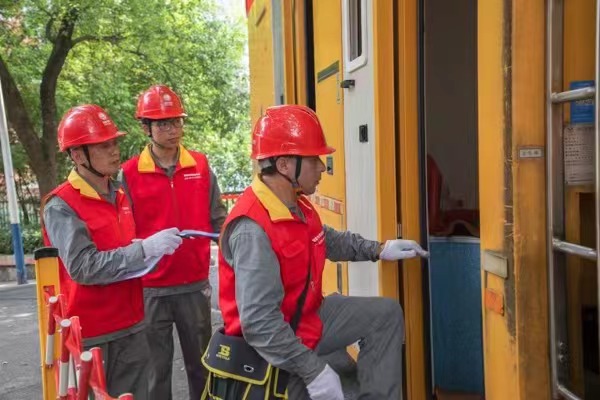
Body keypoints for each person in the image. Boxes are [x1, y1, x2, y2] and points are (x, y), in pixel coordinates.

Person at [218, 105, 429, 400]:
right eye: (313, 159)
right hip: (272, 347)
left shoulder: (295, 204)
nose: (322, 167)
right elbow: (260, 324)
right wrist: (314, 371)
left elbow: (325, 239)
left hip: (308, 318)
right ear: (284, 165)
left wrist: (379, 249)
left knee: (385, 314)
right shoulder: (252, 229)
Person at [42, 104, 183, 399]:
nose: (114, 151)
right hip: (91, 335)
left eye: (114, 143)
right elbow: (84, 267)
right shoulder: (62, 205)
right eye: (103, 146)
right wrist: (143, 249)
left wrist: (145, 251)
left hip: (132, 324)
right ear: (78, 155)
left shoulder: (118, 193)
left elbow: (118, 250)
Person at [121, 85, 228, 400]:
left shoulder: (200, 165)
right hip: (150, 288)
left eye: (177, 121)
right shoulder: (129, 173)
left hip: (194, 286)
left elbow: (218, 217)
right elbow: (124, 232)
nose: (173, 130)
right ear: (146, 128)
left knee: (203, 368)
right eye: (163, 124)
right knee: (156, 373)